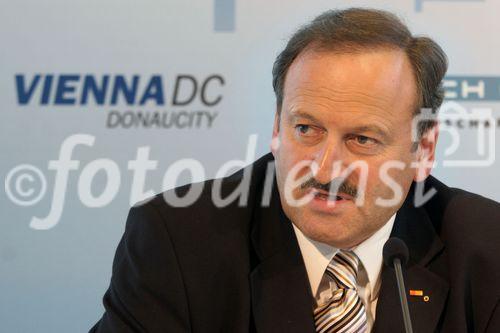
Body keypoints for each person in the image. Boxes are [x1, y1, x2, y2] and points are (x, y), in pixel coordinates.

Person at [90, 8, 500, 333]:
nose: (325, 168)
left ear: (424, 149)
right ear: (276, 127)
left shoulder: (486, 251)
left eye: (362, 139)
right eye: (306, 129)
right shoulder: (179, 242)